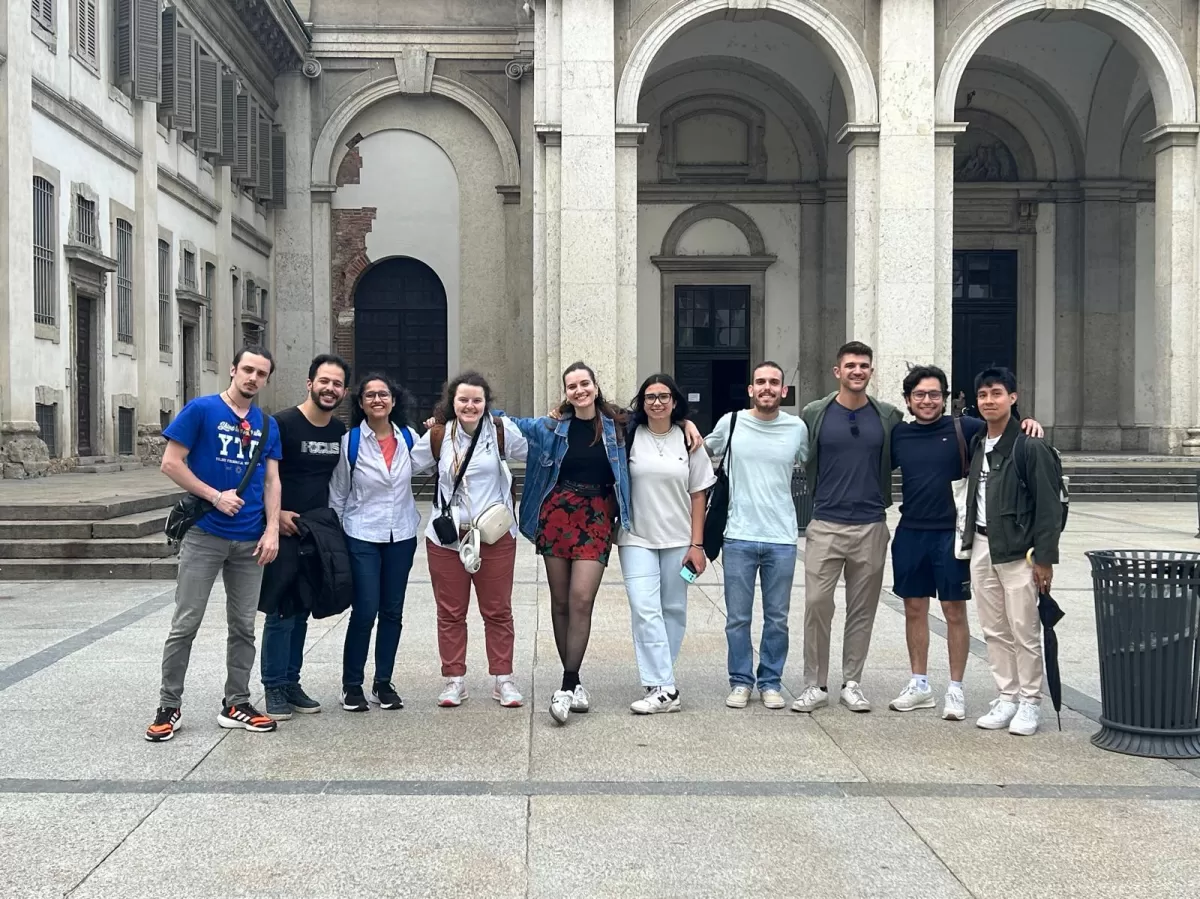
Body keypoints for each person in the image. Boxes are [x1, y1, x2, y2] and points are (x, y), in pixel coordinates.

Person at [887, 365, 1041, 721]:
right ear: (908, 400)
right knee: (913, 609)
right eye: (920, 395)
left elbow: (1003, 426)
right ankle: (919, 683)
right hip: (911, 530)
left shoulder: (965, 428)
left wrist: (1029, 420)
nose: (927, 401)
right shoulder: (899, 435)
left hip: (951, 534)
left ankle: (955, 688)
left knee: (954, 611)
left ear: (946, 398)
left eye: (935, 394)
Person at [145, 346, 283, 742]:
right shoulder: (202, 410)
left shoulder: (268, 425)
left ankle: (236, 702)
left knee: (243, 627)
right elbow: (171, 462)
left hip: (249, 539)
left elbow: (272, 481)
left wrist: (272, 528)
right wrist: (214, 495)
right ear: (232, 369)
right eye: (248, 370)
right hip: (205, 533)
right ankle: (168, 707)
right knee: (185, 623)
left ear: (266, 379)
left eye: (261, 373)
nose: (253, 378)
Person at [503, 362, 633, 725]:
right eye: (572, 386)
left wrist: (686, 423)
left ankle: (567, 682)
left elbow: (663, 413)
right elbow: (503, 420)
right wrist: (444, 420)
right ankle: (573, 681)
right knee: (560, 603)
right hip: (557, 514)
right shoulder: (550, 427)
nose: (579, 391)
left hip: (596, 517)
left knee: (580, 599)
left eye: (584, 384)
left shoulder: (619, 425)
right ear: (565, 392)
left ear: (595, 386)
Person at [409, 371, 530, 709]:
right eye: (463, 399)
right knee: (450, 611)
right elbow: (403, 467)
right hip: (448, 537)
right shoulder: (438, 436)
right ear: (453, 402)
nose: (470, 405)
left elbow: (539, 452)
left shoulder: (503, 432)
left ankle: (503, 678)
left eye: (477, 400)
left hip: (493, 535)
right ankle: (454, 680)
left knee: (498, 610)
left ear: (486, 402)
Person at [793, 341, 901, 715]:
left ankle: (851, 682)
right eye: (850, 365)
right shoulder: (815, 413)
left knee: (862, 609)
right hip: (825, 522)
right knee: (817, 605)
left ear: (871, 371)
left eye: (864, 366)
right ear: (837, 371)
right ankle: (815, 684)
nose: (857, 371)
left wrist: (1022, 420)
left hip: (871, 524)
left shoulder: (888, 416)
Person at [961, 367, 1061, 736]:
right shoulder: (977, 443)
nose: (989, 401)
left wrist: (1046, 559)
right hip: (983, 545)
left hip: (1020, 552)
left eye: (997, 393)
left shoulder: (1029, 445)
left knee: (1024, 629)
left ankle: (1031, 701)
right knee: (994, 629)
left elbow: (1049, 507)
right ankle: (1007, 695)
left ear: (1013, 398)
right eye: (984, 395)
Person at [704, 361, 809, 711]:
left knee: (777, 617)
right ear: (751, 390)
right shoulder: (731, 422)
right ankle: (740, 680)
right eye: (760, 382)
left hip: (781, 537)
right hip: (738, 535)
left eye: (774, 382)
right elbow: (699, 450)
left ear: (783, 391)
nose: (767, 387)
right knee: (738, 617)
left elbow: (817, 464)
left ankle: (770, 681)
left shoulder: (797, 428)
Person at [258, 354, 349, 720]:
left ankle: (292, 682)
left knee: (302, 610)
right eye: (324, 381)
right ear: (310, 383)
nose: (330, 389)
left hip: (316, 533)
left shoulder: (338, 433)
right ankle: (272, 685)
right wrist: (273, 516)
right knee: (281, 609)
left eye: (338, 384)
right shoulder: (281, 424)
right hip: (282, 531)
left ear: (344, 391)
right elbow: (261, 476)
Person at [618, 374, 715, 714]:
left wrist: (697, 545)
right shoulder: (628, 436)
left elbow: (699, 494)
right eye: (649, 397)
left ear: (675, 401)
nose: (656, 402)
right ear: (641, 403)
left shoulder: (689, 441)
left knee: (673, 610)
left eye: (663, 396)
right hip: (637, 537)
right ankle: (666, 688)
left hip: (679, 538)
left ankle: (660, 681)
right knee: (644, 608)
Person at [328, 373, 420, 713]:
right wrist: (336, 539)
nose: (377, 400)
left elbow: (437, 463)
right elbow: (338, 493)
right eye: (370, 395)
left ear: (394, 401)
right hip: (361, 534)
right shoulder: (350, 441)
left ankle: (383, 683)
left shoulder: (410, 437)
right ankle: (352, 685)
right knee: (365, 610)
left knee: (392, 612)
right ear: (361, 403)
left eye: (384, 394)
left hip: (402, 535)